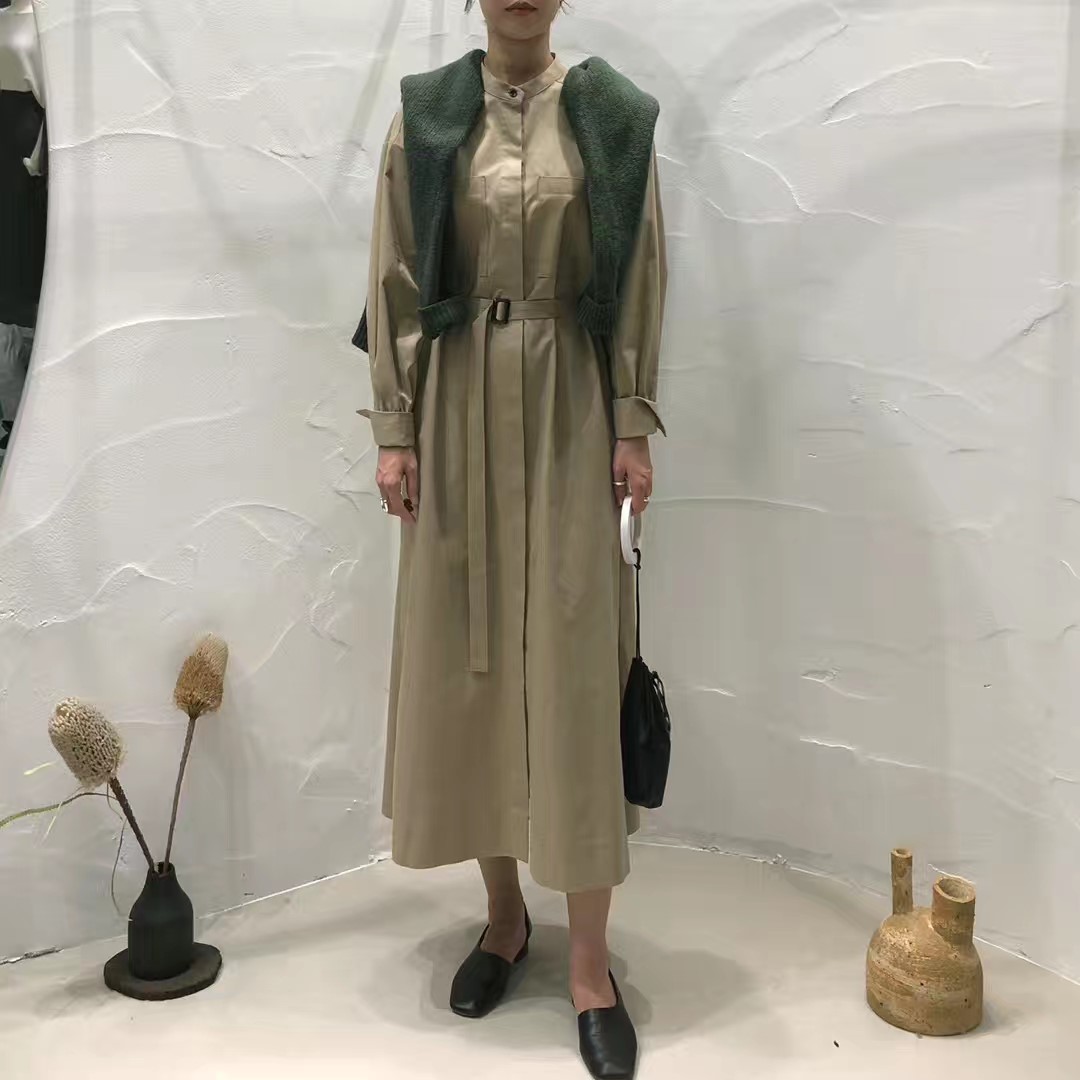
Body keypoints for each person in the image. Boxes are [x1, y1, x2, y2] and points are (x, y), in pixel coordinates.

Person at [354, 1, 666, 1075]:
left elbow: (638, 275)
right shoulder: (429, 114)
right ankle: (502, 920)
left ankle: (590, 967)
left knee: (576, 672)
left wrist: (632, 422)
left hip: (573, 406)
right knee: (472, 664)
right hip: (456, 409)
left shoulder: (612, 116)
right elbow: (396, 273)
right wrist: (395, 431)